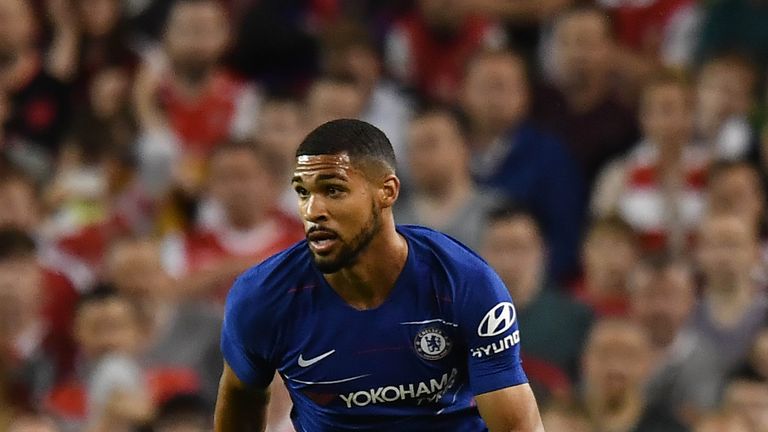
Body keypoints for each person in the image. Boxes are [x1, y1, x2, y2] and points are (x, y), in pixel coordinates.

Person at [214, 119, 544, 431]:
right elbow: (241, 401)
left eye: (333, 190)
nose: (313, 211)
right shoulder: (263, 297)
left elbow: (516, 426)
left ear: (387, 191)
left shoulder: (463, 284)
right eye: (303, 192)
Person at [460, 49, 585, 279]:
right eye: (486, 87)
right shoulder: (450, 150)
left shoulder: (550, 156)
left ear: (525, 95)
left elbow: (565, 240)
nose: (494, 98)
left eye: (503, 87)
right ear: (464, 93)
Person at [162, 141, 303, 302]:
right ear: (210, 186)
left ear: (270, 182)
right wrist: (224, 272)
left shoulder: (303, 240)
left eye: (244, 176)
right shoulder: (184, 244)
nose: (236, 188)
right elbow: (166, 298)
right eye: (225, 178)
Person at [481, 203, 592, 396]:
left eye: (518, 248)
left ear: (543, 252)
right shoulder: (461, 321)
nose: (507, 261)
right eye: (498, 248)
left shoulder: (576, 319)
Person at [592, 72, 707, 256]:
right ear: (644, 118)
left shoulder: (710, 170)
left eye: (682, 109)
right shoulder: (619, 174)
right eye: (665, 110)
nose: (673, 119)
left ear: (691, 116)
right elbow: (604, 238)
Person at [629, 254, 722, 423]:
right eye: (649, 295)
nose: (659, 307)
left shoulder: (707, 360)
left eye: (669, 295)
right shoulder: (611, 352)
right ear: (632, 299)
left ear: (691, 300)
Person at [395, 108, 497, 251]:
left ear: (464, 146)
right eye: (413, 147)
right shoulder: (392, 222)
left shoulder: (497, 215)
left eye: (430, 144)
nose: (419, 155)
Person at [385, 0, 505, 103]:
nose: (447, 4)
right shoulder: (403, 35)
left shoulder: (487, 34)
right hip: (417, 111)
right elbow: (399, 95)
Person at [580, 318, 688, 432]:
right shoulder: (564, 419)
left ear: (648, 364)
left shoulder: (669, 427)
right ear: (585, 361)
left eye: (628, 357)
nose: (616, 368)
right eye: (604, 355)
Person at [693, 212, 768, 374]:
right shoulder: (684, 315)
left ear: (755, 252)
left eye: (733, 245)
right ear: (699, 254)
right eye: (715, 245)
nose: (724, 256)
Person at [572, 216, 639, 317]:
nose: (607, 255)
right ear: (584, 253)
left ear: (635, 255)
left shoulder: (641, 306)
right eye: (600, 245)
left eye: (616, 246)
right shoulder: (566, 300)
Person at [695, 54, 758, 160]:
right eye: (715, 88)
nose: (723, 100)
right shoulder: (677, 126)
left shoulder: (751, 146)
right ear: (697, 91)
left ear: (749, 104)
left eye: (734, 93)